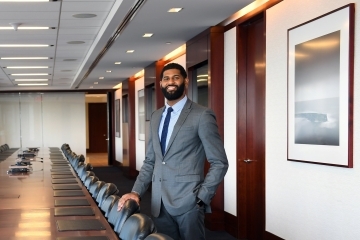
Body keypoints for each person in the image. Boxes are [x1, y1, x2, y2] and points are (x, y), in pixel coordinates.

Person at [117, 63, 228, 240]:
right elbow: (151, 161)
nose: (171, 82)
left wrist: (202, 198)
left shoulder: (202, 115)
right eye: (166, 78)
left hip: (189, 202)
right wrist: (136, 191)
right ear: (160, 83)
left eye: (176, 77)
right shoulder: (155, 117)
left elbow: (219, 162)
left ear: (186, 81)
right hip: (159, 203)